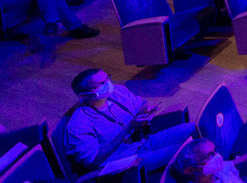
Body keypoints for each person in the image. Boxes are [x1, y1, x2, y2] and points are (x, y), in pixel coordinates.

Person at [63, 69, 194, 178]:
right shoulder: (78, 124)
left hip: (145, 141)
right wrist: (127, 129)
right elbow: (93, 161)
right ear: (85, 95)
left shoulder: (118, 92)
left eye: (107, 78)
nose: (108, 84)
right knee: (186, 152)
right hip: (125, 161)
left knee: (194, 128)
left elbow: (141, 106)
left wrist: (146, 112)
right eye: (101, 83)